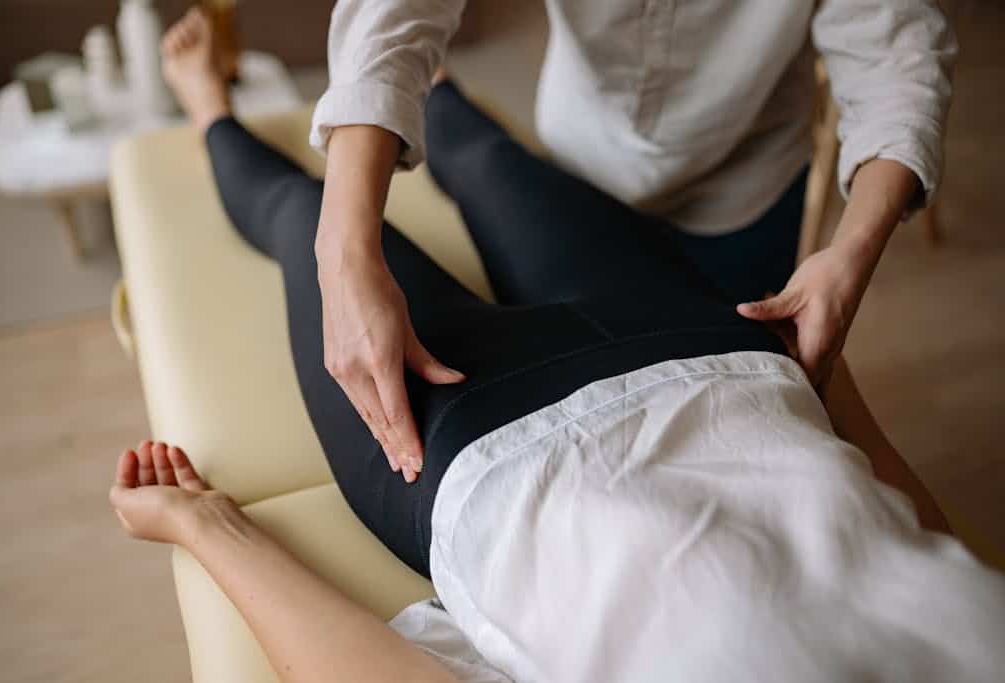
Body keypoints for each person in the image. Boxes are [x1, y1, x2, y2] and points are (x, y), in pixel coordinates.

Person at [116, 10, 1005, 682]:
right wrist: (827, 398)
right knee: (485, 158)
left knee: (299, 217)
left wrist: (207, 525)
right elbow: (921, 543)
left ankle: (210, 108)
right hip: (716, 363)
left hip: (491, 450)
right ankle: (436, 95)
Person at [311, 0, 958, 479]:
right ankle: (446, 98)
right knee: (480, 157)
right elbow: (393, 16)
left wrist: (851, 258)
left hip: (746, 187)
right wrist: (341, 250)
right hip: (580, 157)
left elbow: (895, 54)